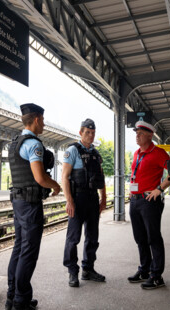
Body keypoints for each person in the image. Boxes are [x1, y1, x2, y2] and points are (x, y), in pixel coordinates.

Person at [6, 103, 61, 310]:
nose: (44, 124)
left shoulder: (15, 142)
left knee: (19, 248)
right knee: (28, 252)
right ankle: (21, 301)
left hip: (18, 201)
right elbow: (40, 178)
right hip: (30, 204)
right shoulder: (34, 144)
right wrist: (55, 185)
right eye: (43, 120)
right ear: (37, 119)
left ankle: (12, 297)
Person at [62, 118, 107, 287]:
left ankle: (88, 269)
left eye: (93, 132)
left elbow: (101, 178)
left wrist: (103, 198)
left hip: (92, 199)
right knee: (73, 238)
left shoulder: (96, 154)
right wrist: (69, 201)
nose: (90, 135)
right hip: (77, 199)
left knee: (92, 237)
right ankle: (73, 272)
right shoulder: (72, 151)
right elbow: (65, 177)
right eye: (87, 132)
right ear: (81, 132)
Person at [127, 120, 170, 290]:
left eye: (140, 134)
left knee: (153, 238)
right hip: (135, 200)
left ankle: (156, 276)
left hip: (149, 201)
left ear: (150, 135)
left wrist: (159, 189)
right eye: (136, 133)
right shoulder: (137, 153)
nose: (137, 137)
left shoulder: (159, 153)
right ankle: (145, 270)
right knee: (140, 238)